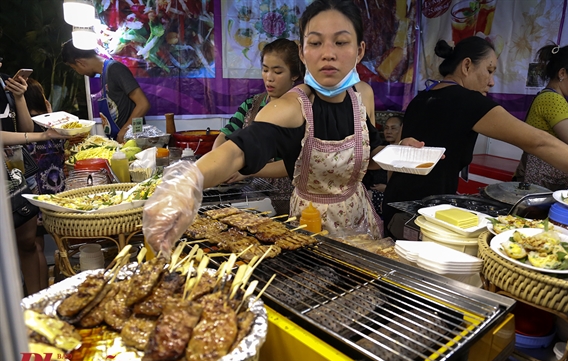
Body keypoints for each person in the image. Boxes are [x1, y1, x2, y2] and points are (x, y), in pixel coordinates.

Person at [144, 0, 386, 255]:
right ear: (303, 53)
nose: (328, 53)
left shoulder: (363, 95)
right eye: (315, 43)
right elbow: (237, 151)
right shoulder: (291, 107)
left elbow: (370, 150)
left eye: (340, 42)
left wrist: (402, 153)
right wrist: (186, 183)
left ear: (359, 50)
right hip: (313, 229)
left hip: (363, 227)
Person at [382, 37, 568, 239]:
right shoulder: (467, 101)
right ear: (466, 66)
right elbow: (538, 141)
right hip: (424, 214)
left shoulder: (422, 96)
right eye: (489, 70)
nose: (492, 82)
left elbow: (397, 159)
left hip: (396, 204)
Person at [212, 38, 304, 215]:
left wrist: (248, 171)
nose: (269, 77)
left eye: (277, 72)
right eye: (265, 69)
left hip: (290, 201)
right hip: (255, 197)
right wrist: (220, 164)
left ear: (294, 75)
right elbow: (225, 135)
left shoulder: (301, 110)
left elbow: (295, 164)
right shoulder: (252, 105)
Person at [514, 44, 568, 191]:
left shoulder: (552, 97)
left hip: (550, 180)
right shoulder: (552, 99)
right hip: (542, 182)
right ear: (562, 73)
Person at [3, 128, 64, 295]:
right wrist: (42, 136)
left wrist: (20, 100)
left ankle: (35, 302)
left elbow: (27, 126)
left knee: (28, 244)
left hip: (16, 175)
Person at [61, 40, 151, 143]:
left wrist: (123, 132)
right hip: (122, 142)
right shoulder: (104, 74)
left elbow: (143, 104)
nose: (79, 72)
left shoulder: (114, 68)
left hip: (132, 141)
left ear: (80, 62)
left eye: (74, 68)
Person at [24, 78, 67, 283]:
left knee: (35, 247)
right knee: (64, 242)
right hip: (59, 193)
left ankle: (40, 292)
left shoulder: (23, 129)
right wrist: (49, 110)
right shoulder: (54, 125)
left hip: (36, 196)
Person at [363, 113, 403, 216]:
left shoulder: (403, 154)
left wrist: (386, 188)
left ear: (401, 130)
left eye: (393, 128)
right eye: (386, 128)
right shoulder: (378, 150)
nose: (388, 131)